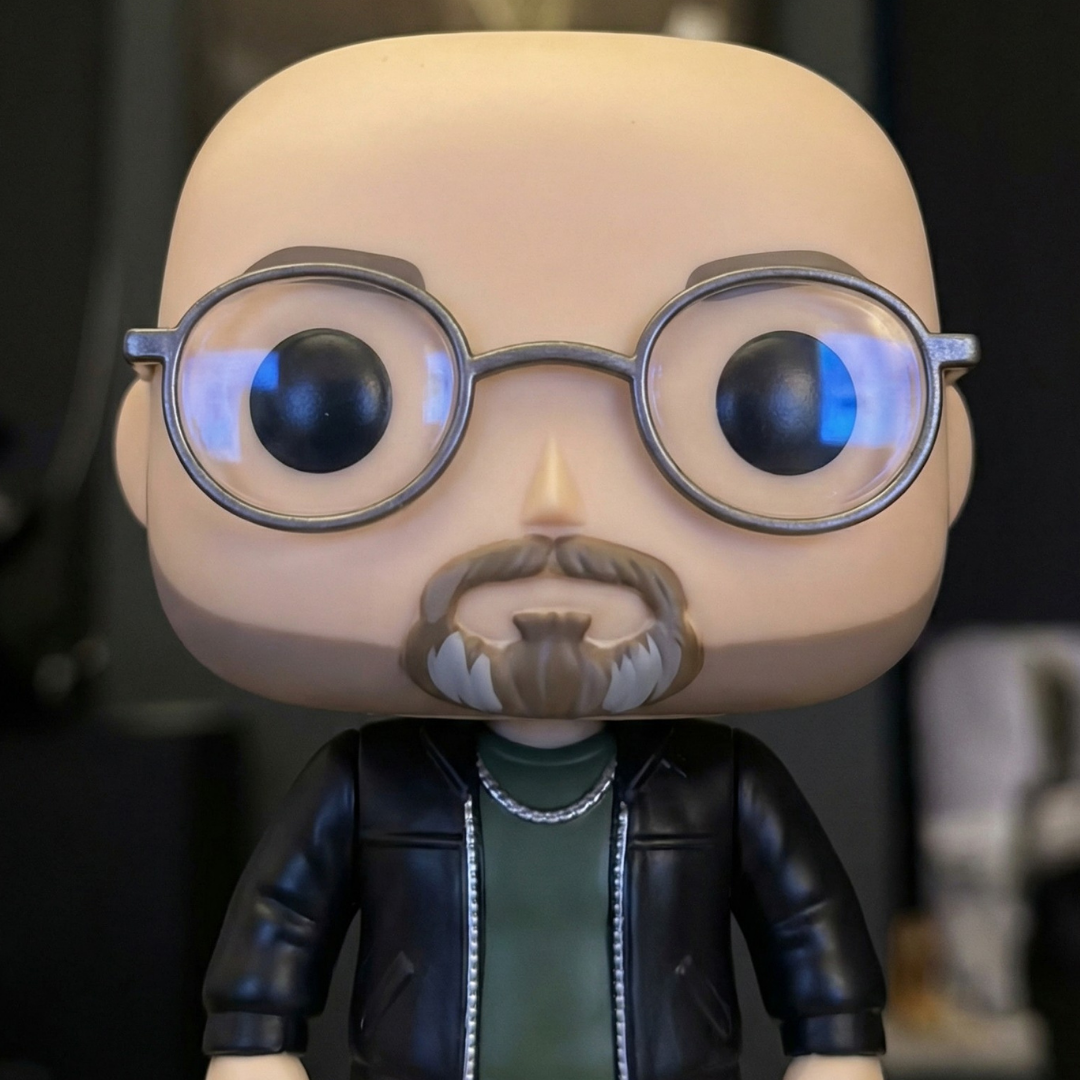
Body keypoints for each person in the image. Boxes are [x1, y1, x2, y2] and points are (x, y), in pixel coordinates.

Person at [114, 31, 978, 1080]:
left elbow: (807, 930)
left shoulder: (718, 786)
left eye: (772, 404)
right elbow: (281, 924)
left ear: (945, 453)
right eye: (324, 403)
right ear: (147, 445)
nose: (552, 503)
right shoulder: (371, 783)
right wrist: (252, 1046)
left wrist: (836, 1049)